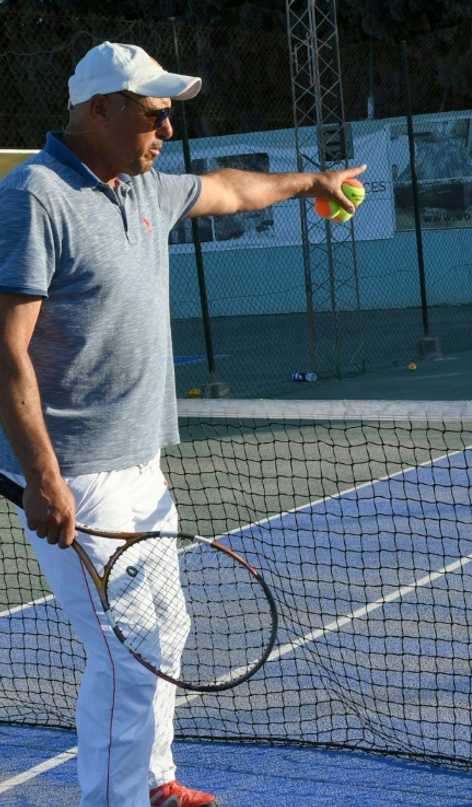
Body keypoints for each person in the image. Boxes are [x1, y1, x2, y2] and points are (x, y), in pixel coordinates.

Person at [0, 41, 365, 807]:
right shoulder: (36, 194)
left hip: (140, 463)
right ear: (99, 110)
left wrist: (310, 183)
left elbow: (228, 189)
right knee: (127, 654)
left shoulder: (140, 189)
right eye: (154, 113)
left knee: (167, 631)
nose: (167, 129)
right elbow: (7, 349)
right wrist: (42, 477)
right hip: (79, 472)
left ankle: (154, 780)